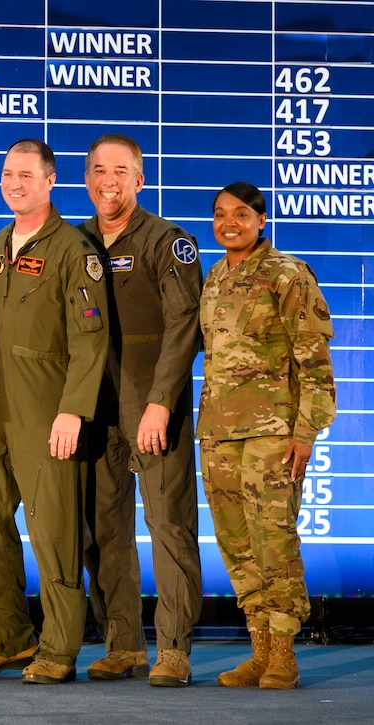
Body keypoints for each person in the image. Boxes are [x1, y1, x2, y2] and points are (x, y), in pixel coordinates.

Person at [0, 138, 109, 684]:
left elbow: (90, 339)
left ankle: (60, 647)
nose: (15, 183)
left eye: (26, 175)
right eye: (8, 174)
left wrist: (73, 411)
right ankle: (10, 639)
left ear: (50, 182)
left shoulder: (76, 251)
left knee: (53, 533)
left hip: (49, 412)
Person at [77, 134, 203, 687]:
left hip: (152, 406)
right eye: (99, 170)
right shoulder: (73, 242)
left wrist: (159, 402)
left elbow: (185, 327)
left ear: (139, 179)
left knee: (169, 525)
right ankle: (123, 643)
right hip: (91, 408)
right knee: (101, 530)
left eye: (121, 170)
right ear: (86, 179)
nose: (109, 180)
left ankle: (173, 649)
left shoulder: (167, 242)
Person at [199, 181, 335, 691]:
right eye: (219, 215)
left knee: (273, 540)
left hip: (273, 433)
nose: (228, 223)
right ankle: (258, 651)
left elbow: (314, 361)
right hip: (218, 433)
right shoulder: (213, 277)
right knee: (236, 543)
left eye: (239, 214)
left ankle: (284, 654)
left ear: (261, 220)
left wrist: (306, 432)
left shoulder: (287, 274)